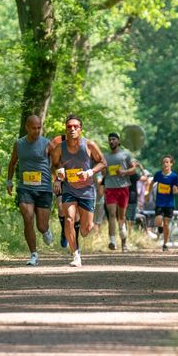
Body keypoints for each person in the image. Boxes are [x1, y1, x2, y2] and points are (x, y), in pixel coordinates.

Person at [49, 114, 107, 267]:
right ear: (65, 129)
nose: (72, 129)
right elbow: (55, 165)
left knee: (85, 230)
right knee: (68, 219)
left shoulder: (89, 145)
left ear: (81, 129)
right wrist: (58, 179)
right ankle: (76, 255)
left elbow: (103, 162)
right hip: (69, 189)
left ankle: (87, 224)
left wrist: (89, 173)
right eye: (69, 127)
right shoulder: (59, 148)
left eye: (75, 126)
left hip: (87, 190)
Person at [5, 114, 55, 266]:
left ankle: (46, 231)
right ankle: (33, 254)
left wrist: (58, 179)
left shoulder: (47, 144)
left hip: (44, 189)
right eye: (33, 128)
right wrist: (9, 181)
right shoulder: (19, 144)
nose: (37, 130)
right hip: (25, 188)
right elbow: (12, 163)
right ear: (27, 127)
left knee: (41, 225)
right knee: (28, 218)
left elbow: (57, 163)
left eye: (39, 127)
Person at [101, 133, 138, 251]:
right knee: (111, 214)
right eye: (110, 140)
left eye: (114, 139)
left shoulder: (125, 155)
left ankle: (124, 242)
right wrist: (104, 172)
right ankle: (112, 240)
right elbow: (103, 172)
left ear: (118, 141)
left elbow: (133, 169)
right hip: (110, 188)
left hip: (123, 188)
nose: (111, 141)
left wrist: (124, 172)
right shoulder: (105, 157)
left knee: (121, 217)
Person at [151, 156, 178, 251]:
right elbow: (152, 183)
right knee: (159, 221)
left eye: (167, 162)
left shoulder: (174, 176)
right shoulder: (158, 174)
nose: (165, 164)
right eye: (164, 162)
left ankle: (165, 244)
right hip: (159, 203)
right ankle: (160, 228)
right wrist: (148, 193)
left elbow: (176, 189)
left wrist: (175, 190)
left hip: (169, 204)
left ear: (171, 163)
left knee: (166, 224)